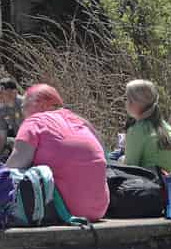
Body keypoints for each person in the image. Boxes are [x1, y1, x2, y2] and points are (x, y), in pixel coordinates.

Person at [7, 83, 108, 222]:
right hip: (99, 209)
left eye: (24, 106)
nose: (23, 112)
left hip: (65, 211)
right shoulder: (81, 121)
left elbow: (15, 166)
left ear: (41, 105)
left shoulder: (34, 122)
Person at [121, 80, 171, 177]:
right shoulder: (166, 127)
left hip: (157, 190)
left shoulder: (137, 129)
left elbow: (129, 170)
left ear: (134, 103)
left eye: (126, 98)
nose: (125, 102)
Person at [0, 77, 25, 159]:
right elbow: (1, 137)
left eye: (2, 92)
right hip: (18, 140)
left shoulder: (25, 105)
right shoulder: (2, 110)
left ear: (14, 92)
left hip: (30, 142)